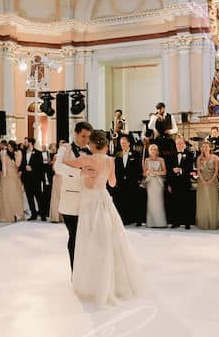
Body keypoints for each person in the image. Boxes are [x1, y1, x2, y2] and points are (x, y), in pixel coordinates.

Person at [62, 130, 143, 307]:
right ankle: (112, 281)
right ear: (105, 145)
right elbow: (113, 183)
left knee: (89, 239)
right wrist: (103, 176)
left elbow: (65, 162)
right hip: (104, 198)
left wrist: (69, 149)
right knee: (109, 239)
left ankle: (92, 281)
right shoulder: (110, 160)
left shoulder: (87, 159)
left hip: (90, 201)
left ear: (91, 144)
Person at [54, 122, 95, 271]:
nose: (86, 140)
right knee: (75, 236)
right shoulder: (65, 149)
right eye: (83, 136)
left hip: (89, 201)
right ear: (76, 134)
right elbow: (57, 167)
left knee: (87, 238)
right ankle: (75, 273)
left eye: (88, 137)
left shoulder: (91, 150)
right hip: (70, 202)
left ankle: (86, 271)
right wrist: (79, 172)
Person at [166, 137, 195, 229]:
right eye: (177, 144)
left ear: (184, 144)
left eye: (181, 143)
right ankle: (176, 222)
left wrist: (181, 170)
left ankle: (187, 223)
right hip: (174, 182)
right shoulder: (171, 155)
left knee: (186, 203)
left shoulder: (190, 154)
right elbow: (168, 170)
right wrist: (169, 184)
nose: (179, 145)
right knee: (175, 203)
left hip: (185, 182)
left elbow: (191, 168)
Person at [114, 136, 143, 225]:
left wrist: (139, 179)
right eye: (121, 143)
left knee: (134, 200)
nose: (123, 145)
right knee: (123, 200)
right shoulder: (117, 154)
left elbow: (139, 167)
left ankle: (137, 220)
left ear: (129, 143)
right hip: (121, 181)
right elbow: (116, 168)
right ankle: (125, 220)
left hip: (133, 180)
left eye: (124, 143)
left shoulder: (136, 154)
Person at [195, 141, 219, 230]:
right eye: (203, 147)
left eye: (206, 146)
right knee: (203, 201)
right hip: (202, 182)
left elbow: (216, 171)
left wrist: (210, 180)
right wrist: (203, 180)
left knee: (211, 201)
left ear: (210, 147)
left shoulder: (215, 157)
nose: (205, 148)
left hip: (212, 181)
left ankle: (213, 223)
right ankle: (203, 223)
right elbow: (198, 171)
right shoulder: (199, 158)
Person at [0, 141, 24, 223]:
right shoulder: (3, 153)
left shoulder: (18, 153)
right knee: (7, 195)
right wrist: (4, 174)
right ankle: (7, 215)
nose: (9, 148)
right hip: (6, 176)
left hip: (15, 175)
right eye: (8, 146)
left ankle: (17, 214)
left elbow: (18, 165)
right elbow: (3, 165)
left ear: (13, 146)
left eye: (11, 146)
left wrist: (17, 155)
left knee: (16, 195)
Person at [143, 144, 167, 228]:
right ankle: (151, 223)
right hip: (150, 182)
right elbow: (144, 173)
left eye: (154, 149)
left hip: (158, 182)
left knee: (159, 202)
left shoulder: (161, 160)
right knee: (151, 202)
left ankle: (161, 223)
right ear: (149, 150)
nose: (153, 151)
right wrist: (148, 172)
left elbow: (164, 172)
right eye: (151, 149)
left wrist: (156, 172)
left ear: (157, 151)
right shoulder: (146, 160)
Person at [20, 137, 44, 221]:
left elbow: (41, 166)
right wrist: (24, 167)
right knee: (29, 197)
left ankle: (42, 214)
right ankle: (33, 214)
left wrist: (32, 168)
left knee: (39, 197)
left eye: (26, 142)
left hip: (35, 178)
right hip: (26, 178)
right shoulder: (23, 153)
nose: (24, 143)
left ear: (30, 143)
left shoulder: (38, 153)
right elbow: (21, 165)